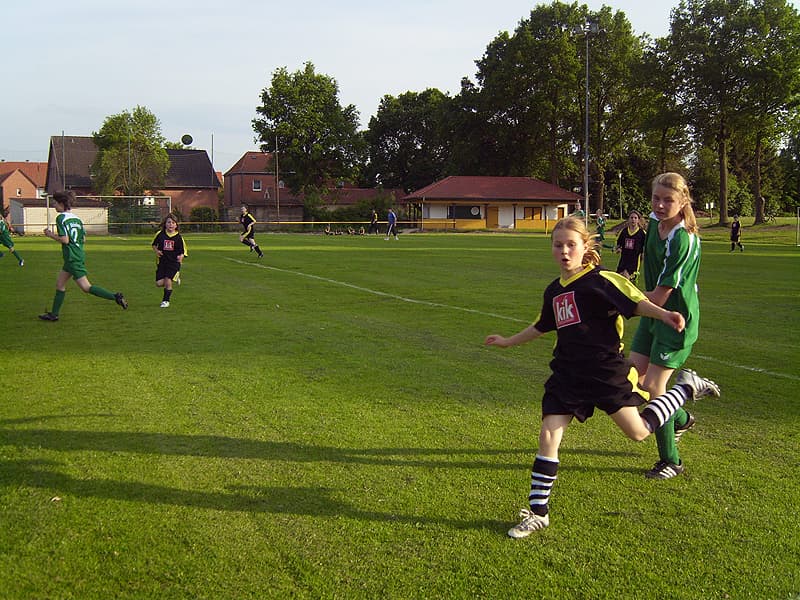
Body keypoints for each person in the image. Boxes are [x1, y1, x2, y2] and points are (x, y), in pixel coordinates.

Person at [484, 216, 720, 537]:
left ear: (585, 247)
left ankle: (685, 388)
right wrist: (508, 341)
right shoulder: (554, 290)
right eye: (558, 245)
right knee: (548, 435)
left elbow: (636, 302)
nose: (564, 251)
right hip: (567, 373)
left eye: (571, 245)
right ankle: (538, 512)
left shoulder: (601, 280)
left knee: (638, 433)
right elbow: (542, 326)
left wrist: (664, 314)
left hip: (605, 371)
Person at [630, 172, 705, 480]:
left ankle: (671, 461)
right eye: (656, 198)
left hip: (675, 320)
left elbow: (661, 296)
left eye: (668, 200)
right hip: (653, 316)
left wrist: (617, 296)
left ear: (683, 201)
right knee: (629, 379)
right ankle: (681, 419)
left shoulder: (682, 238)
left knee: (654, 389)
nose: (660, 205)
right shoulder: (654, 222)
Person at [39, 190, 127, 321]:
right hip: (77, 254)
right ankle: (54, 314)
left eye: (55, 203)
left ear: (62, 204)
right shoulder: (77, 218)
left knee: (86, 287)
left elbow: (65, 240)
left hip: (72, 257)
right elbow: (84, 239)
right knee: (60, 285)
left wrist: (50, 234)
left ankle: (115, 296)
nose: (54, 206)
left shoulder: (61, 218)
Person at [152, 213, 187, 308]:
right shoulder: (160, 234)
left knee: (168, 279)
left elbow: (183, 252)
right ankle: (175, 277)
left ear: (176, 225)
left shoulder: (179, 238)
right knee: (159, 283)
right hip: (162, 262)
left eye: (173, 222)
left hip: (173, 263)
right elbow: (154, 245)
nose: (170, 224)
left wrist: (181, 257)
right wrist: (157, 251)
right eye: (168, 222)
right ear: (165, 224)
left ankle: (165, 301)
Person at [614, 210, 646, 281]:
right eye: (631, 218)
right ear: (628, 219)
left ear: (638, 220)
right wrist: (618, 249)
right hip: (623, 259)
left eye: (635, 218)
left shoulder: (642, 233)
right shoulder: (624, 231)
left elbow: (645, 246)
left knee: (628, 280)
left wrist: (643, 254)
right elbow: (619, 243)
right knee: (619, 279)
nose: (633, 220)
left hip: (634, 261)